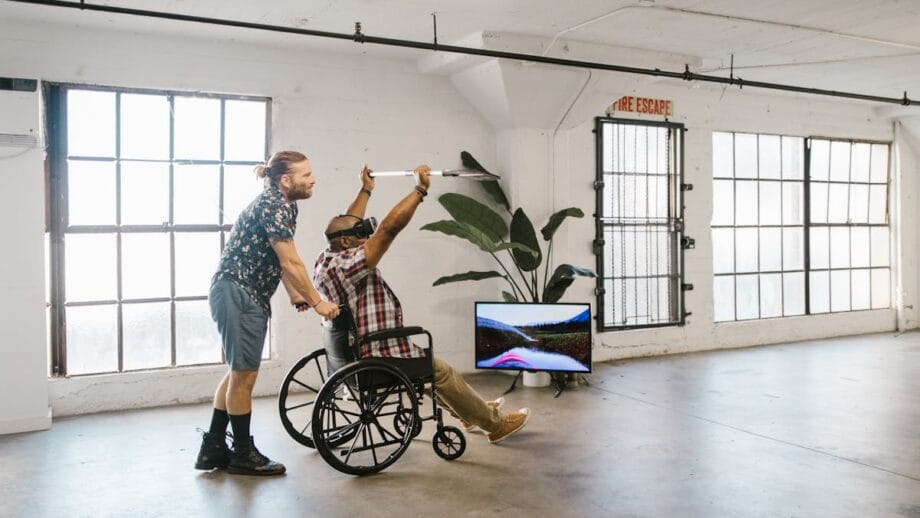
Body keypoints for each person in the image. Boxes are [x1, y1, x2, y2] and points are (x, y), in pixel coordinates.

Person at [311, 164, 530, 444]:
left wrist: (366, 189)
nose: (366, 236)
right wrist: (420, 190)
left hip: (353, 349)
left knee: (429, 373)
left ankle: (469, 412)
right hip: (379, 350)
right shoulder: (350, 264)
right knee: (441, 372)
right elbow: (388, 229)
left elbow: (348, 221)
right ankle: (494, 425)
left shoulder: (326, 260)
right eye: (360, 234)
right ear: (345, 241)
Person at [195, 150, 341, 476]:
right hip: (239, 293)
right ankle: (243, 454)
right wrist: (317, 301)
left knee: (238, 373)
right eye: (306, 175)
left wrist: (293, 292)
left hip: (239, 292)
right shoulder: (274, 205)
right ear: (285, 180)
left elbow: (276, 258)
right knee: (244, 377)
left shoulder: (285, 204)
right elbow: (290, 260)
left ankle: (214, 447)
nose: (313, 178)